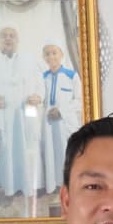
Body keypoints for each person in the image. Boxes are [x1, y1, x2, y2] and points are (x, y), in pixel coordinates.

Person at [0, 25, 45, 207]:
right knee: (8, 149)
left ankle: (32, 186)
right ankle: (11, 187)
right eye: (4, 36)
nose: (8, 39)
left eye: (12, 36)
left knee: (30, 147)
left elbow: (40, 85)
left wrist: (39, 96)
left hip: (28, 110)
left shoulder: (30, 60)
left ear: (17, 40)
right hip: (5, 112)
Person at [38, 40, 84, 197]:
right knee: (51, 155)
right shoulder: (42, 77)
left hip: (66, 123)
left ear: (61, 55)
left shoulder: (71, 75)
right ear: (43, 57)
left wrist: (61, 111)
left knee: (68, 154)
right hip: (48, 124)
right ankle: (54, 186)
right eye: (47, 54)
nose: (51, 56)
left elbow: (80, 100)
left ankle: (71, 187)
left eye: (54, 53)